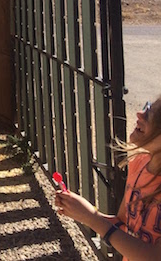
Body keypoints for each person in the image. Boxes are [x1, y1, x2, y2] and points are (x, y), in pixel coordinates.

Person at [55, 96, 161, 260]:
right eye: (148, 108)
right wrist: (83, 212)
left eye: (152, 116)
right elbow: (122, 224)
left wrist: (93, 218)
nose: (140, 114)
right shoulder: (139, 163)